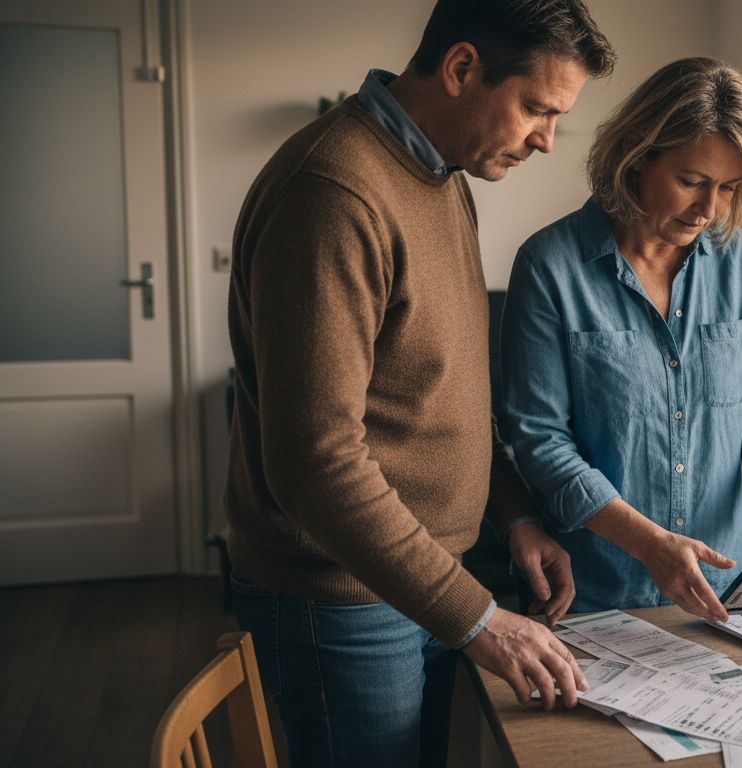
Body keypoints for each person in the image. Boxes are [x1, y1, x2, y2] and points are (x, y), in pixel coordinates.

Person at [224, 2, 614, 765]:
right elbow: (317, 464)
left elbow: (441, 400)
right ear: (462, 68)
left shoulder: (439, 171)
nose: (546, 139)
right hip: (341, 599)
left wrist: (515, 516)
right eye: (536, 108)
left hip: (417, 583)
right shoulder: (335, 192)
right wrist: (480, 617)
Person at [499, 57, 742, 623]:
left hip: (726, 593)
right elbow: (540, 443)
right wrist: (648, 543)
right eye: (691, 181)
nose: (708, 210)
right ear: (638, 154)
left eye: (728, 189)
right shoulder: (549, 266)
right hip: (593, 595)